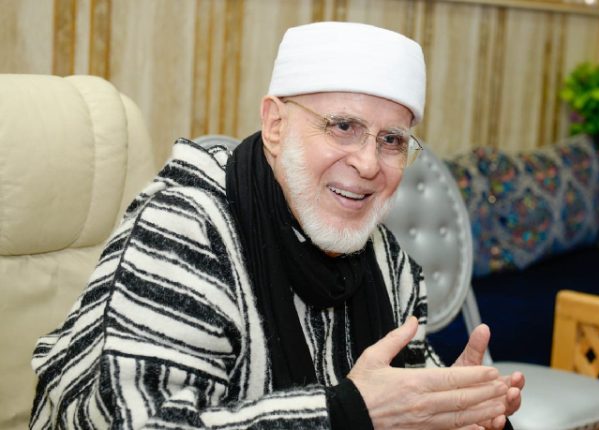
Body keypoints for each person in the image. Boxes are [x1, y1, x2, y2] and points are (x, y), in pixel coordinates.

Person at [29, 22, 524, 429]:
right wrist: (346, 414)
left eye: (391, 140)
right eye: (343, 127)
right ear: (275, 124)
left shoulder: (387, 261)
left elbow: (402, 396)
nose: (369, 164)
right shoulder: (186, 232)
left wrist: (451, 411)